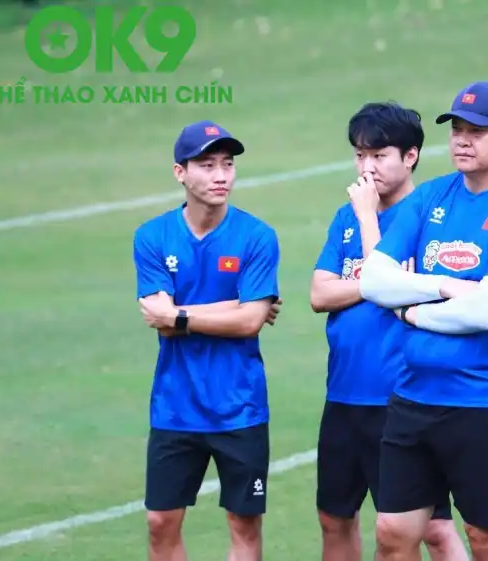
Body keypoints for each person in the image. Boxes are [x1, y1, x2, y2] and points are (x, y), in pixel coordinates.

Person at [358, 81, 488, 561]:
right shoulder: (430, 197)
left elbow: (486, 312)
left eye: (477, 131)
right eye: (457, 130)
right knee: (392, 533)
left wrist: (408, 309)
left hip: (486, 402)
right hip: (413, 396)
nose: (463, 141)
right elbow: (373, 281)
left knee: (484, 538)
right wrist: (442, 287)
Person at [310, 102, 469, 561]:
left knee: (431, 529)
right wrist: (377, 283)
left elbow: (392, 290)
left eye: (379, 156)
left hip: (403, 397)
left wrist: (368, 224)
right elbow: (320, 293)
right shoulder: (345, 217)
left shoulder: (428, 218)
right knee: (334, 518)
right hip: (344, 394)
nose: (367, 167)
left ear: (410, 156)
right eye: (360, 155)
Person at [133, 120, 283, 561]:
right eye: (207, 165)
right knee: (160, 522)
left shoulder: (256, 236)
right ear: (180, 172)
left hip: (240, 407)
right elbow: (160, 321)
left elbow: (248, 323)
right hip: (175, 407)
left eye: (228, 164)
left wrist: (182, 314)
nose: (221, 176)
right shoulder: (153, 236)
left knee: (244, 525)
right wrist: (238, 306)